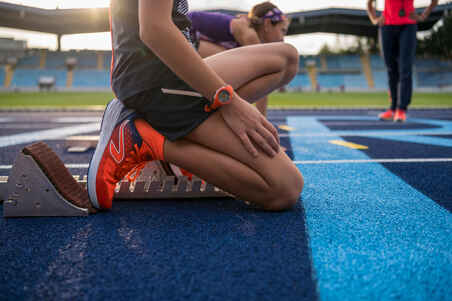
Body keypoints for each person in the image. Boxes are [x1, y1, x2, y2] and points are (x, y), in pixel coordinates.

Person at [87, 0, 303, 212]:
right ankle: (144, 137)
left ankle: (185, 134)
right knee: (284, 188)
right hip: (158, 79)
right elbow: (154, 29)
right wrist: (229, 102)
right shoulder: (246, 33)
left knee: (286, 59)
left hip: (162, 73)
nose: (282, 33)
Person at [188, 2, 290, 117]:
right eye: (283, 31)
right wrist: (263, 119)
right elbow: (262, 81)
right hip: (184, 37)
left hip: (189, 40)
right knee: (263, 67)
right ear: (267, 24)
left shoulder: (246, 31)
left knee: (239, 67)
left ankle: (215, 109)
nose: (282, 39)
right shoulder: (249, 35)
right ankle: (216, 111)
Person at [367, 0, 438, 122]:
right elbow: (369, 3)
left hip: (408, 25)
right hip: (387, 26)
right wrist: (374, 19)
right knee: (391, 69)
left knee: (405, 68)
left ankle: (401, 109)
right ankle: (393, 108)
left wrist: (424, 15)